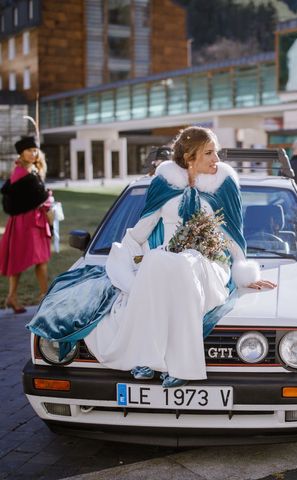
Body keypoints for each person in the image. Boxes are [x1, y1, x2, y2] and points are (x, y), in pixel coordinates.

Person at [28, 127, 276, 388]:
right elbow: (143, 228)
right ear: (190, 156)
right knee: (158, 260)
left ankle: (182, 367)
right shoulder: (164, 184)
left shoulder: (223, 183)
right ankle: (148, 358)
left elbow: (232, 235)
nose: (217, 159)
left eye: (216, 152)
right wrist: (124, 256)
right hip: (167, 263)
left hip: (211, 266)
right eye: (209, 153)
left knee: (181, 262)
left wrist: (244, 273)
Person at [0, 136, 52, 313]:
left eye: (35, 150)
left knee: (41, 259)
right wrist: (45, 197)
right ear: (21, 153)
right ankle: (39, 296)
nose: (33, 153)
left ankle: (37, 295)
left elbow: (36, 194)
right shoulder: (20, 173)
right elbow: (24, 198)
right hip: (24, 222)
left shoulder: (32, 170)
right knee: (21, 260)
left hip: (35, 220)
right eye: (29, 150)